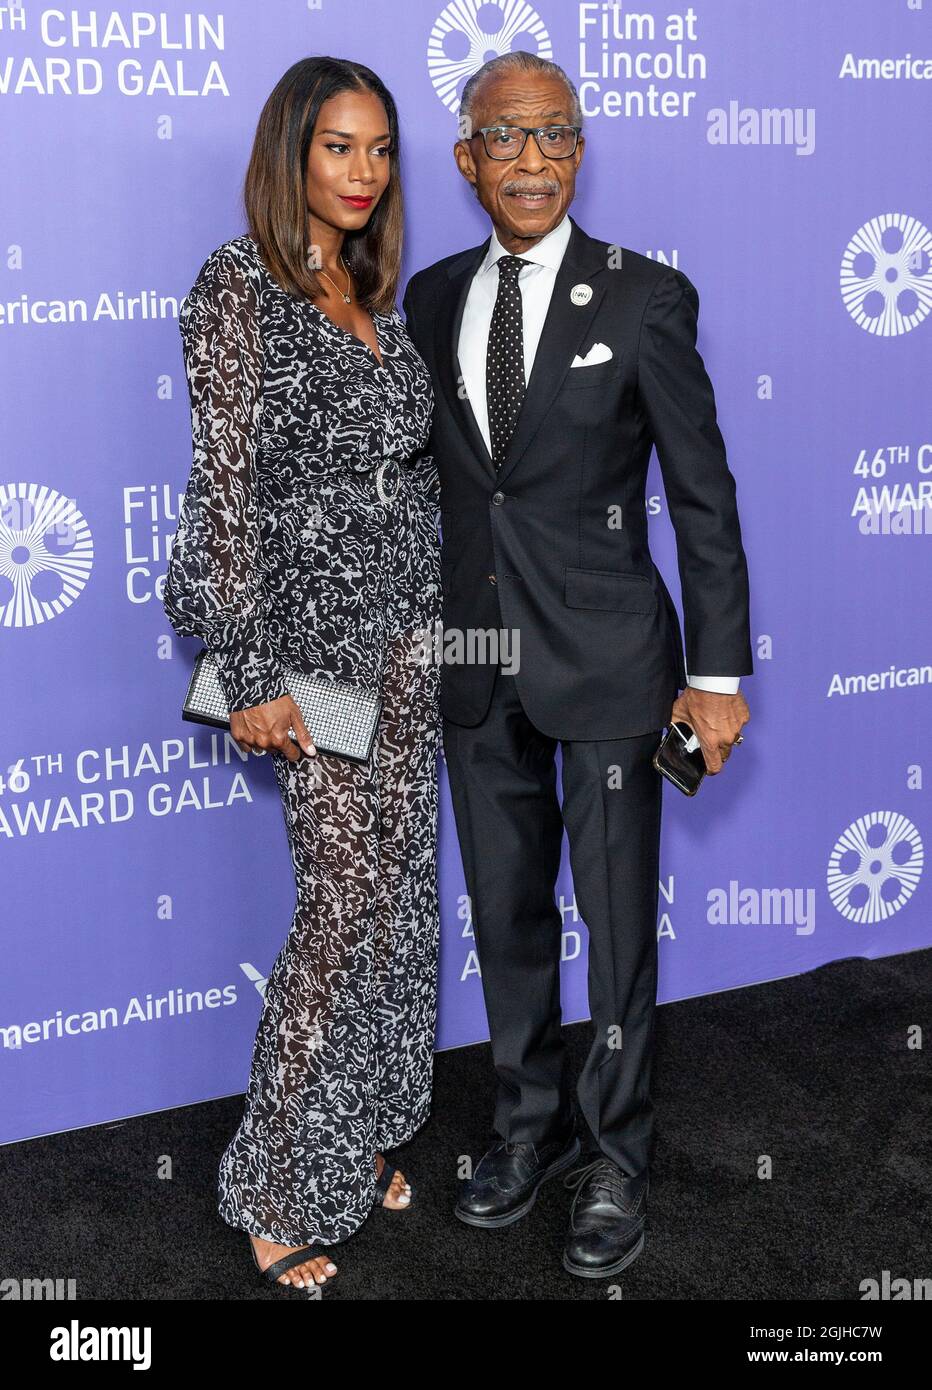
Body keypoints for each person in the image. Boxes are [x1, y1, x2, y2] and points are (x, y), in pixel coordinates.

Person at [402, 51, 752, 1278]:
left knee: (610, 929)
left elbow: (701, 501)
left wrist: (715, 672)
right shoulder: (431, 297)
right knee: (503, 918)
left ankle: (613, 1154)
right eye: (505, 139)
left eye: (554, 136)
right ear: (466, 159)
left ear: (580, 150)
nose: (533, 162)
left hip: (609, 657)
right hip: (474, 652)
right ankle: (527, 1127)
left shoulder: (645, 297)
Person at [163, 56, 441, 1291]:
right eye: (338, 147)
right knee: (340, 909)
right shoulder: (238, 286)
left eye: (379, 150)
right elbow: (220, 494)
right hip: (308, 655)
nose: (363, 172)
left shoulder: (372, 289)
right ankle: (278, 1184)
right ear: (290, 152)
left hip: (410, 638)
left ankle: (358, 1129)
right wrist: (248, 669)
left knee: (398, 905)